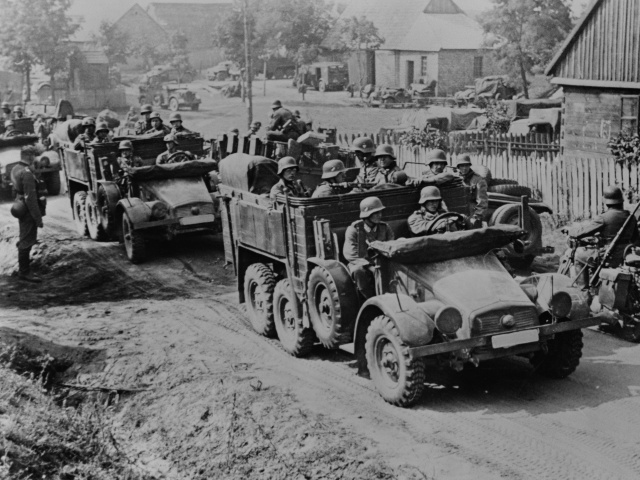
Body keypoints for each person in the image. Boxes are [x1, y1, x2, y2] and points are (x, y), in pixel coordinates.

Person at [569, 185, 640, 286]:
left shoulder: (604, 217)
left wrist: (571, 231)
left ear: (606, 201)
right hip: (624, 256)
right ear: (621, 200)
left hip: (607, 256)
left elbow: (579, 233)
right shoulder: (631, 218)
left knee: (579, 255)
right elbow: (637, 240)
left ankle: (584, 291)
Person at [343, 197, 394, 299]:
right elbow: (351, 254)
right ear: (367, 215)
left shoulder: (385, 227)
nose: (380, 215)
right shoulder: (354, 230)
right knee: (358, 271)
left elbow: (392, 245)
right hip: (359, 262)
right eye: (376, 213)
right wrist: (370, 266)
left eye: (380, 212)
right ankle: (370, 299)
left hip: (382, 260)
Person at [10, 145, 44, 282]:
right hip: (27, 209)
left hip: (19, 204)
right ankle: (24, 272)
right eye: (34, 156)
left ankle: (23, 269)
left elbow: (16, 190)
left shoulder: (15, 168)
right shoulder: (27, 173)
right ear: (30, 156)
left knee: (24, 236)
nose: (35, 158)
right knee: (27, 239)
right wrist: (38, 217)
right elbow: (30, 198)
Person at [456, 155, 488, 229]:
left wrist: (476, 217)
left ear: (469, 166)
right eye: (461, 165)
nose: (464, 168)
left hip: (472, 214)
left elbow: (482, 202)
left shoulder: (478, 180)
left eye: (466, 165)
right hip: (458, 212)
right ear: (458, 167)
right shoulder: (455, 178)